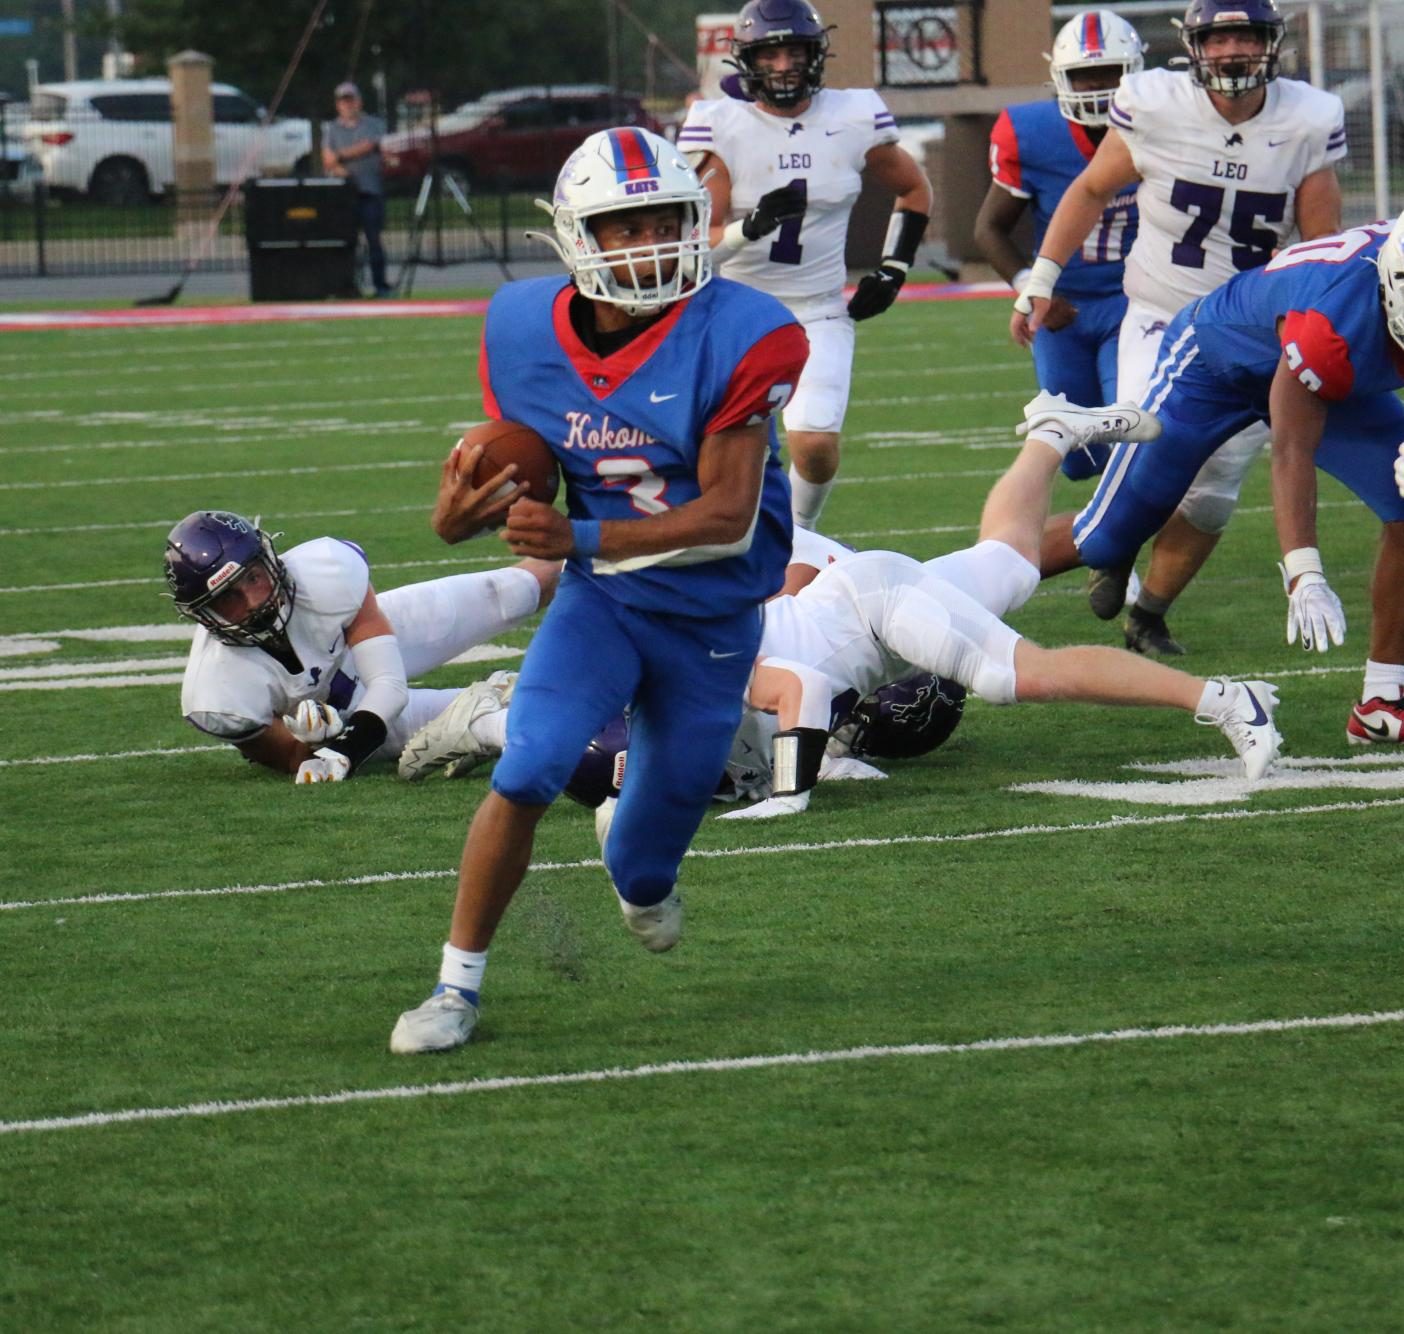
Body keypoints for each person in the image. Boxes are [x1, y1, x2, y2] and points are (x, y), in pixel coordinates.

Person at [389, 126, 809, 1055]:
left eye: (665, 218)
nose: (649, 240)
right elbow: (516, 476)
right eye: (623, 225)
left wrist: (572, 532)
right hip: (605, 601)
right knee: (529, 765)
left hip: (711, 617)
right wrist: (464, 514)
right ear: (578, 237)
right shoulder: (519, 327)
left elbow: (728, 517)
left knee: (647, 858)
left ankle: (641, 870)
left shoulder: (750, 331)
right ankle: (455, 987)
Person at [712, 391, 1283, 820]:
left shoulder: (697, 665)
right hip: (863, 606)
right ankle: (1052, 434)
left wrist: (789, 794)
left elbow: (801, 689)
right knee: (1009, 564)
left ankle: (1229, 700)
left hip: (871, 606)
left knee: (1013, 675)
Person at [1012, 0, 1345, 655]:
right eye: (1218, 39)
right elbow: (1088, 191)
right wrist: (1042, 278)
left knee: (1213, 496)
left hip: (1251, 331)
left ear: (1269, 44)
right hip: (1164, 315)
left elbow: (1320, 243)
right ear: (1194, 46)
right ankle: (989, 577)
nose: (1231, 52)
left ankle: (1150, 612)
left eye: (1244, 37)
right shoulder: (1155, 104)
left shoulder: (1307, 118)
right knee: (1144, 469)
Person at [1038, 215, 1404, 745]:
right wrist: (1304, 572)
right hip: (1214, 362)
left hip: (1334, 376)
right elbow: (1291, 449)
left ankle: (1383, 699)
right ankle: (956, 589)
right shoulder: (1332, 318)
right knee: (1104, 536)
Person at [678, 0, 933, 531]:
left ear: (816, 55)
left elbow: (914, 189)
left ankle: (798, 536)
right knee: (716, 456)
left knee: (815, 446)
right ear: (749, 61)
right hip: (734, 313)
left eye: (795, 52)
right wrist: (750, 227)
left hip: (817, 309)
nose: (784, 66)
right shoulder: (721, 125)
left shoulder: (852, 115)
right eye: (771, 55)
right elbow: (694, 247)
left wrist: (894, 267)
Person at [164, 509, 555, 781]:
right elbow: (295, 760)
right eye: (229, 599)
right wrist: (323, 740)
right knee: (500, 722)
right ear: (204, 615)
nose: (253, 602)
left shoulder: (325, 573)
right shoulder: (217, 693)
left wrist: (350, 748)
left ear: (270, 560)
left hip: (368, 643)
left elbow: (388, 684)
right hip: (350, 712)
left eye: (253, 579)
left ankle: (611, 558)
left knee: (513, 592)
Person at [975, 10, 1145, 484]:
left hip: (1136, 303)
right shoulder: (1030, 131)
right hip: (1063, 307)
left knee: (1127, 430)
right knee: (1076, 457)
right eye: (1083, 75)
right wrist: (1032, 290)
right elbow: (989, 227)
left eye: (1108, 73)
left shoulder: (1159, 123)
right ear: (1059, 78)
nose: (1095, 86)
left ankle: (1116, 551)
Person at [322, 81, 391, 298]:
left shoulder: (373, 124)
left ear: (359, 101)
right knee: (346, 242)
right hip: (345, 195)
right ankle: (347, 286)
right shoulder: (332, 129)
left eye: (351, 100)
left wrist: (341, 155)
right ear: (338, 105)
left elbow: (370, 145)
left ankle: (380, 285)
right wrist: (341, 166)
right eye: (344, 101)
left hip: (370, 191)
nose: (348, 105)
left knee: (374, 240)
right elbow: (328, 159)